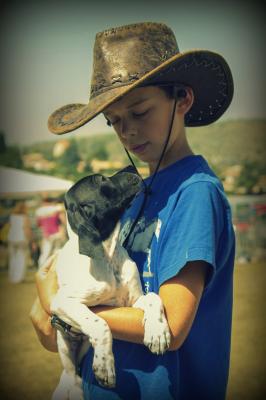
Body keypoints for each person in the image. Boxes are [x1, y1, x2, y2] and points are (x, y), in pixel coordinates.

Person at [30, 22, 235, 400]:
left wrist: (66, 310)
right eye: (115, 122)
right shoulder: (135, 198)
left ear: (183, 99)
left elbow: (170, 325)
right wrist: (65, 314)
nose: (127, 132)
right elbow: (59, 326)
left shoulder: (195, 195)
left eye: (140, 112)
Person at [35, 196, 66, 268]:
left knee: (46, 253)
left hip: (47, 234)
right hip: (57, 233)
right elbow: (63, 221)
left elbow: (39, 224)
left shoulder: (40, 212)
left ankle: (42, 268)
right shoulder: (58, 210)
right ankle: (56, 267)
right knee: (57, 251)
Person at [7, 201, 32, 283]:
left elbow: (10, 227)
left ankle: (12, 277)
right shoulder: (25, 217)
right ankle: (19, 278)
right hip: (21, 239)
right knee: (21, 258)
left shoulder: (12, 216)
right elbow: (26, 229)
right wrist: (30, 239)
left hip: (11, 238)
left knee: (13, 258)